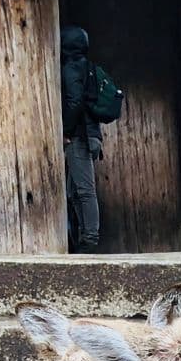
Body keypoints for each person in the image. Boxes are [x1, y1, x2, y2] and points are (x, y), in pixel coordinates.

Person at [59, 25, 103, 253]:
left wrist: (64, 130)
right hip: (91, 134)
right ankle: (84, 236)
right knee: (73, 191)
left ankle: (90, 238)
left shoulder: (71, 68)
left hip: (79, 136)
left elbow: (74, 102)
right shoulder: (88, 67)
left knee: (84, 190)